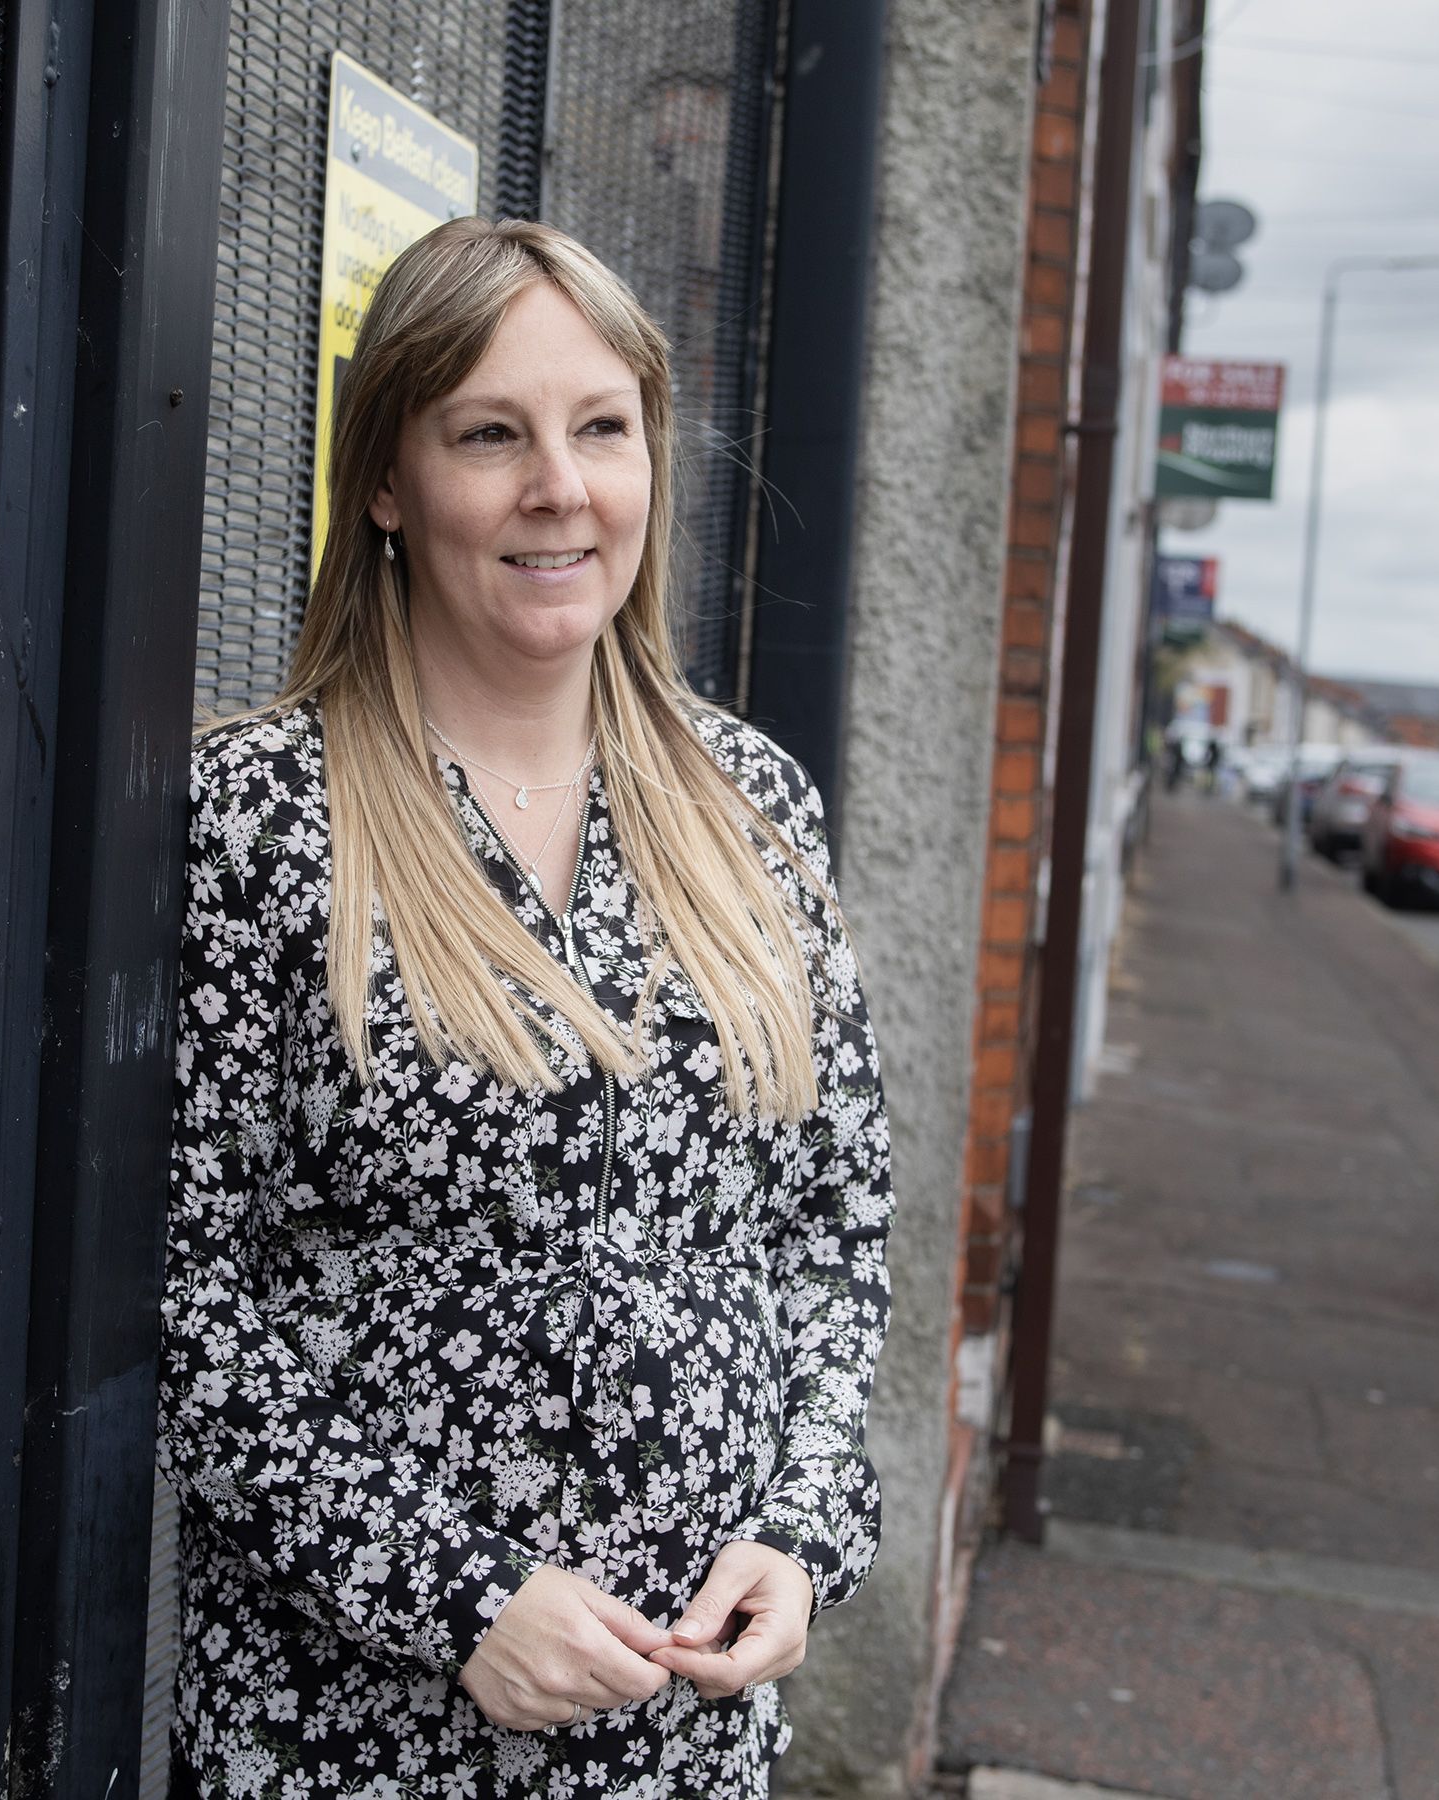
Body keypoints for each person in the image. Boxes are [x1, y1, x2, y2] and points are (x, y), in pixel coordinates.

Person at [160, 215, 895, 1797]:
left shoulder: (752, 804)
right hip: (350, 1734)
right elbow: (180, 1297)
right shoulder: (263, 819)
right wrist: (458, 1601)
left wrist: (804, 1528)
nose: (559, 488)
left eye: (600, 430)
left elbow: (834, 1223)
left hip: (683, 1741)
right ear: (387, 482)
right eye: (491, 434)